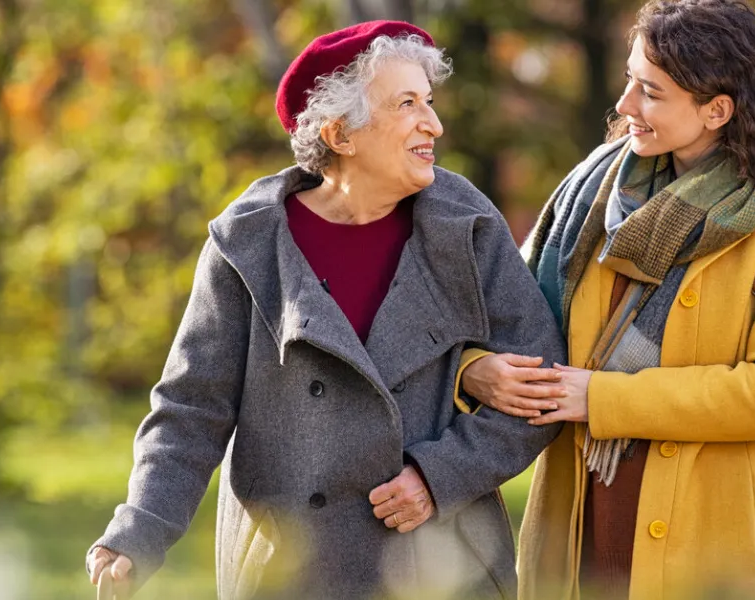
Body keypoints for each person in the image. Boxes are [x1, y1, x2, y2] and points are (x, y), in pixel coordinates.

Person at [85, 21, 566, 600]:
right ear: (341, 134)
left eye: (430, 102)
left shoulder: (466, 224)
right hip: (293, 571)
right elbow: (191, 408)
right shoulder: (249, 243)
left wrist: (441, 476)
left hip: (441, 563)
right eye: (407, 104)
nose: (433, 124)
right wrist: (138, 531)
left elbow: (540, 382)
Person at [458, 1, 755, 598]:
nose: (624, 106)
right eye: (629, 79)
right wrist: (477, 369)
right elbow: (505, 319)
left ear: (716, 110)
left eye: (650, 92)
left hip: (715, 537)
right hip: (580, 524)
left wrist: (602, 397)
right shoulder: (594, 196)